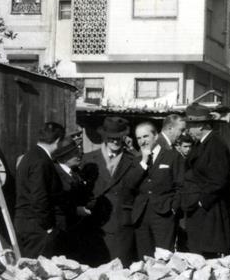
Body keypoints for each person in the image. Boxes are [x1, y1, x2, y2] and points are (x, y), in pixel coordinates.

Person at [79, 116, 146, 266]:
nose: (115, 142)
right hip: (95, 225)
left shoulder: (134, 160)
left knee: (120, 273)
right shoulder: (88, 159)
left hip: (121, 225)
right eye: (111, 138)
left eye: (119, 138)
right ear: (104, 137)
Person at [132, 113, 186, 259]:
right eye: (139, 138)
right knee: (144, 259)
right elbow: (129, 186)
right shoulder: (135, 160)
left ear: (155, 136)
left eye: (146, 136)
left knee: (164, 259)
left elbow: (180, 186)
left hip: (164, 215)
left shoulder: (172, 156)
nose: (143, 141)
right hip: (141, 217)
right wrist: (143, 161)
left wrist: (173, 208)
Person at [181, 110, 230, 259]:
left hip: (210, 211)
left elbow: (219, 179)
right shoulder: (202, 143)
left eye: (190, 126)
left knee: (208, 255)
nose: (188, 130)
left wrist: (201, 201)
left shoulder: (216, 144)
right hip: (201, 212)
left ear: (201, 126)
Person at [14, 121, 66, 259]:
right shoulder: (41, 161)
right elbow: (39, 196)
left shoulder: (29, 156)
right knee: (38, 271)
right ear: (58, 141)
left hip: (25, 222)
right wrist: (48, 226)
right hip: (36, 227)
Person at [51, 138, 93, 261]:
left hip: (76, 230)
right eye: (75, 153)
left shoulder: (75, 173)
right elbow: (55, 201)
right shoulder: (55, 173)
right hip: (61, 230)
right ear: (63, 157)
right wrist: (76, 210)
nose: (79, 155)